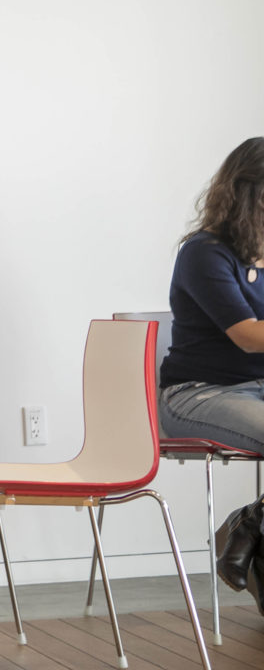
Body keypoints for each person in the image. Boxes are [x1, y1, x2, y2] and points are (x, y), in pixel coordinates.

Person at [158, 137, 264, 612]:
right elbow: (246, 335)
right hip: (197, 395)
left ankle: (250, 522)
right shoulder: (205, 253)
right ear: (250, 193)